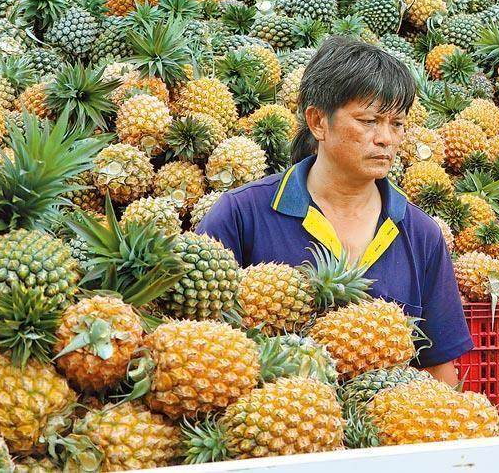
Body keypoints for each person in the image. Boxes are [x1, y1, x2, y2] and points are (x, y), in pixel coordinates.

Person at [196, 36, 472, 384]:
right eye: (369, 121)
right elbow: (198, 343)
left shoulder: (421, 233)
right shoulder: (240, 215)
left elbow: (437, 366)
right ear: (317, 122)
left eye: (397, 123)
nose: (386, 138)